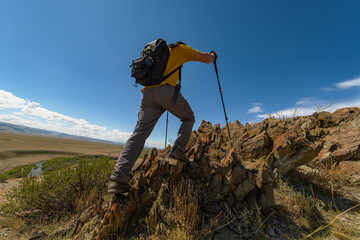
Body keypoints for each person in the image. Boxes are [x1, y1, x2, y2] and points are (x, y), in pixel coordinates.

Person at [108, 41, 217, 194]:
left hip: (147, 95)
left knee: (139, 134)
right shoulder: (180, 49)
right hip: (166, 92)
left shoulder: (157, 53)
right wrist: (213, 55)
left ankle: (117, 179)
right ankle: (178, 150)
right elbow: (206, 59)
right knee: (188, 118)